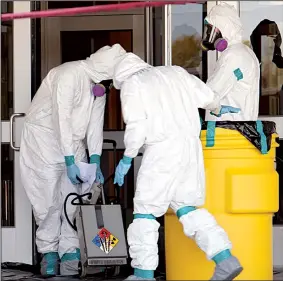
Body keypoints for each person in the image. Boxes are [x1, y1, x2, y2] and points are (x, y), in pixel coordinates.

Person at [112, 52, 243, 281]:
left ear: (121, 76)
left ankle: (143, 275)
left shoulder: (133, 83)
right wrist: (217, 107)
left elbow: (136, 126)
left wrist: (127, 158)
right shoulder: (175, 72)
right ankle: (225, 259)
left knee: (145, 212)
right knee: (188, 208)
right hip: (191, 150)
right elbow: (206, 95)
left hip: (161, 152)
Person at [19, 44, 126, 277]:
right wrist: (69, 160)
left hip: (73, 143)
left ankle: (70, 250)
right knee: (47, 201)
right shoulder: (68, 74)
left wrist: (95, 158)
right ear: (105, 69)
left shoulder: (99, 86)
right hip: (44, 141)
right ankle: (48, 251)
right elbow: (61, 119)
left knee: (75, 200)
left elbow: (95, 125)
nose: (108, 87)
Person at [201, 2, 260, 121]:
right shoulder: (244, 52)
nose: (208, 34)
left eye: (211, 30)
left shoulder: (233, 55)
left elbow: (209, 94)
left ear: (225, 27)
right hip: (238, 129)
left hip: (227, 131)